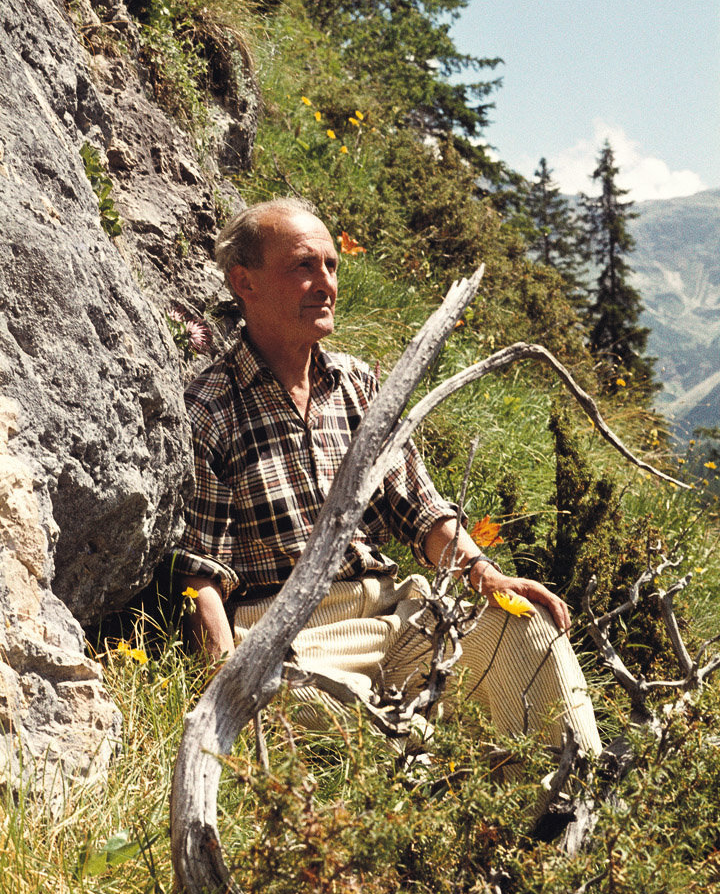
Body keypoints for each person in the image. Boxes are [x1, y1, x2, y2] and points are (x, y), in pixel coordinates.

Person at [172, 197, 601, 758]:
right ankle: (442, 772)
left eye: (331, 266)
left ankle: (574, 792)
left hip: (392, 613)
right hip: (291, 638)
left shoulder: (357, 386)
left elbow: (419, 509)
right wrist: (225, 683)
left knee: (526, 628)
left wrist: (486, 575)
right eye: (304, 266)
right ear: (244, 282)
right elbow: (201, 571)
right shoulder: (211, 408)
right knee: (356, 721)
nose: (326, 283)